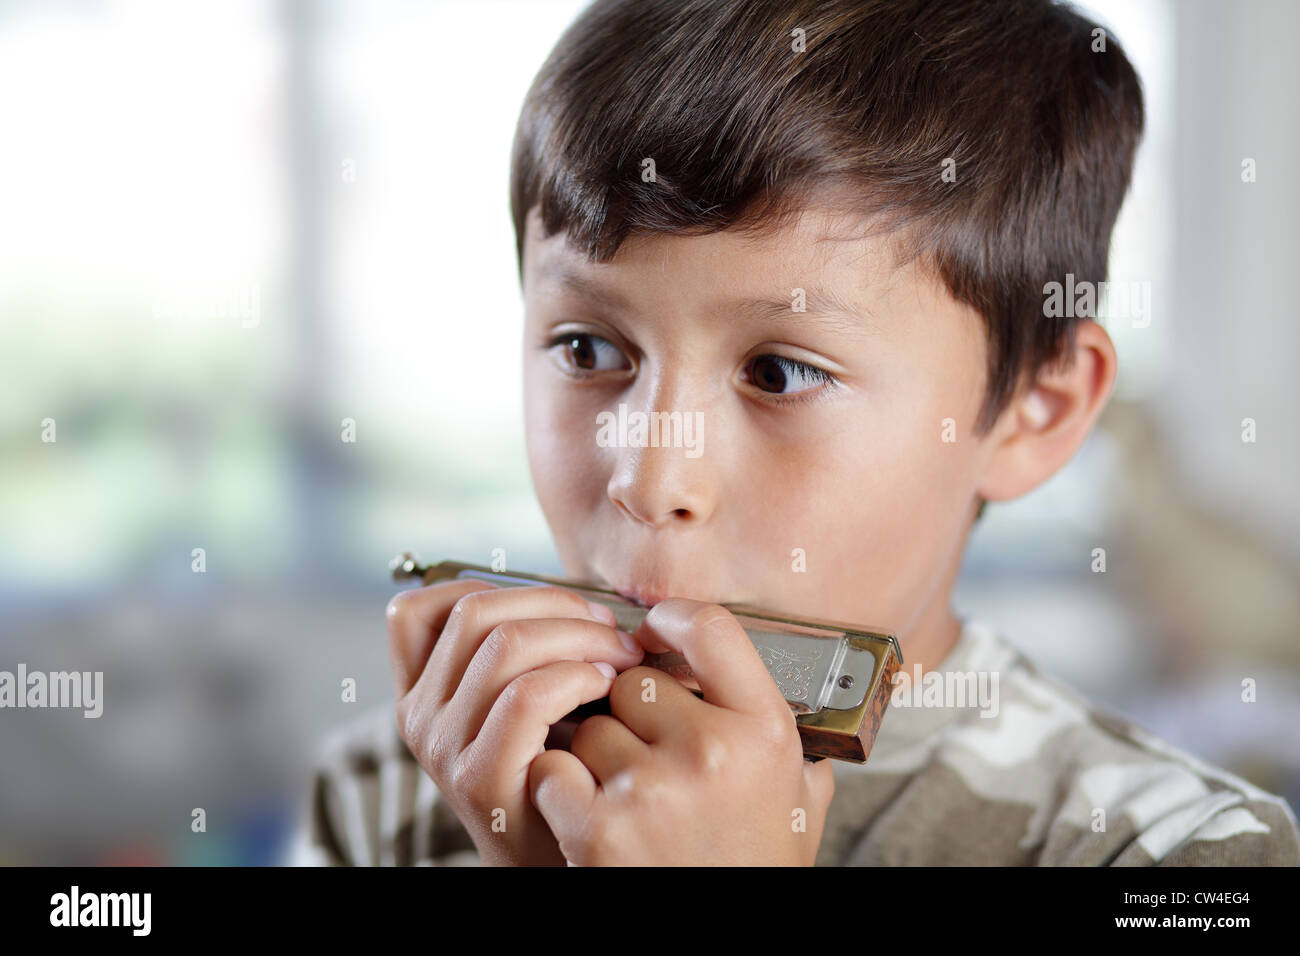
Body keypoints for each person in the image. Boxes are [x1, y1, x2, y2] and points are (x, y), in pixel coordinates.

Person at [288, 0, 1300, 866]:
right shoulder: (391, 793)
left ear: (1034, 410)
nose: (650, 475)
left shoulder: (1181, 850)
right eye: (589, 349)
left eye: (779, 371)